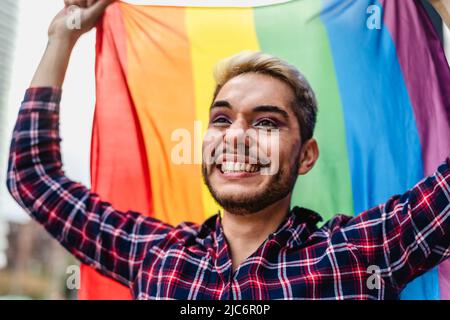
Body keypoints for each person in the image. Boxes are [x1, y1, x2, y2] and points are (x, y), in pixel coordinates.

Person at [6, 0, 450, 299]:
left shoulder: (358, 251)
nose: (235, 136)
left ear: (307, 154)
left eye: (266, 122)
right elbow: (33, 178)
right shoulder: (157, 254)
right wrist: (61, 39)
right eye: (221, 118)